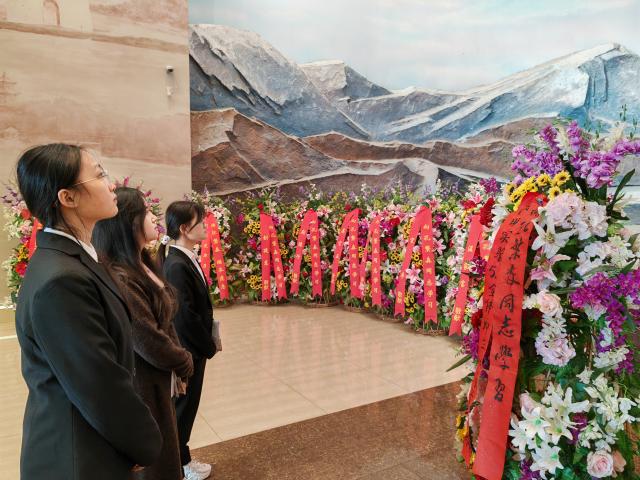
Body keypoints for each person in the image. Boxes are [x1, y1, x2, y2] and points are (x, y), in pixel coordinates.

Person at [14, 144, 162, 480]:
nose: (112, 185)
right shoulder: (61, 280)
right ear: (68, 198)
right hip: (78, 455)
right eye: (99, 175)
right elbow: (100, 384)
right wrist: (141, 444)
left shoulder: (73, 258)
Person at [93, 187, 194, 480]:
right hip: (145, 381)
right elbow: (146, 337)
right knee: (155, 460)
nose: (153, 217)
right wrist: (183, 360)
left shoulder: (143, 262)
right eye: (146, 212)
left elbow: (166, 319)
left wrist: (178, 361)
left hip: (161, 377)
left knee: (167, 448)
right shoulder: (122, 276)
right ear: (129, 223)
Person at [159, 201, 217, 480]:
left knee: (187, 406)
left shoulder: (185, 257)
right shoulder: (176, 265)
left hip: (195, 348)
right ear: (184, 228)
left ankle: (181, 459)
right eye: (200, 222)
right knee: (183, 408)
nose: (205, 226)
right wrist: (207, 345)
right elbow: (185, 316)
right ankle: (180, 464)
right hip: (189, 350)